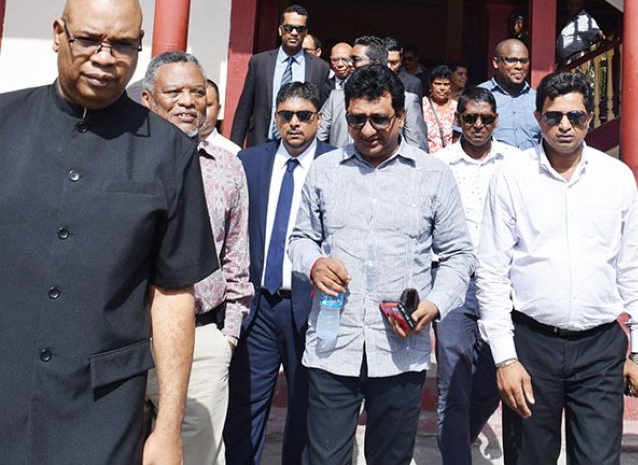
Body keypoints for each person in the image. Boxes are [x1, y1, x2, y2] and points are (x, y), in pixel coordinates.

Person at [0, 0, 218, 464]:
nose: (104, 57)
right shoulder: (4, 124)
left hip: (100, 409)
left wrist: (167, 430)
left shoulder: (170, 154)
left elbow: (173, 294)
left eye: (123, 45)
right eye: (89, 40)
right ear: (58, 32)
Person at [288, 65, 475, 465]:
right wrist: (314, 263)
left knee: (389, 459)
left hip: (399, 349)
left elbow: (459, 255)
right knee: (323, 459)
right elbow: (300, 238)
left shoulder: (433, 176)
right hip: (332, 344)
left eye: (379, 119)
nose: (368, 130)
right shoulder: (325, 170)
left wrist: (436, 303)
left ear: (402, 117)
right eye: (357, 120)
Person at [476, 70, 638, 464]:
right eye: (554, 116)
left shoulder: (616, 177)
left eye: (575, 117)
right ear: (538, 118)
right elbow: (491, 273)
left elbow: (634, 265)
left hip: (599, 347)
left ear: (589, 119)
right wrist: (505, 358)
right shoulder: (513, 175)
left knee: (598, 458)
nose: (564, 126)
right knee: (530, 458)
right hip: (531, 344)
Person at [141, 51, 254, 465]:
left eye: (197, 91)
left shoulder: (228, 167)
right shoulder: (120, 158)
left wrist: (227, 336)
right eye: (174, 92)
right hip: (130, 338)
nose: (189, 101)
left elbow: (236, 257)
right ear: (148, 100)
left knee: (196, 456)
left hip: (203, 338)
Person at [224, 82, 335, 465]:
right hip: (259, 305)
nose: (294, 123)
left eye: (304, 116)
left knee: (307, 410)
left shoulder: (337, 164)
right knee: (245, 407)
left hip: (313, 306)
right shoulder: (249, 161)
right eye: (285, 115)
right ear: (275, 118)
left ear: (319, 120)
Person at [433, 86, 518, 464]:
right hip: (453, 282)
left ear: (496, 120)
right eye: (470, 118)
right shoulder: (439, 164)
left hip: (504, 284)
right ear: (458, 120)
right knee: (452, 377)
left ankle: (457, 436)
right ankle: (455, 455)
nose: (478, 125)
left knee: (491, 373)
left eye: (486, 118)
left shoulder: (516, 163)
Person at [230, 5, 331, 147]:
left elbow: (324, 111)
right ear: (280, 30)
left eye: (300, 29)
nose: (294, 33)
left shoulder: (319, 68)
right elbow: (244, 108)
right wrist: (235, 146)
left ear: (306, 32)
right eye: (289, 28)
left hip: (302, 145)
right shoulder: (260, 62)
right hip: (262, 142)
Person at [317, 35, 427, 151]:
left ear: (376, 63)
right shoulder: (337, 97)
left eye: (355, 59)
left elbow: (417, 150)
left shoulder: (407, 101)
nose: (349, 64)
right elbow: (317, 137)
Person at [478, 39, 540, 150]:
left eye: (524, 61)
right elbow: (460, 139)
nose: (519, 66)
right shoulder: (478, 96)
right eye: (511, 60)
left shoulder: (537, 99)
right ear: (496, 63)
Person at [556, 0, 604, 64]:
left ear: (579, 6)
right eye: (568, 5)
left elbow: (597, 35)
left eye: (571, 5)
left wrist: (601, 38)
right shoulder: (572, 20)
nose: (569, 8)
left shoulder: (585, 18)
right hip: (569, 60)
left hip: (579, 58)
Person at [422, 64, 458, 153]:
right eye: (438, 84)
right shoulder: (422, 104)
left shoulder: (456, 107)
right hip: (426, 158)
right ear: (430, 85)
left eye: (446, 84)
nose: (442, 88)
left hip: (449, 158)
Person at [200, 79, 241, 155]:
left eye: (207, 105)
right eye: (196, 105)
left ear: (218, 109)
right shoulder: (175, 147)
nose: (201, 111)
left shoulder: (232, 152)